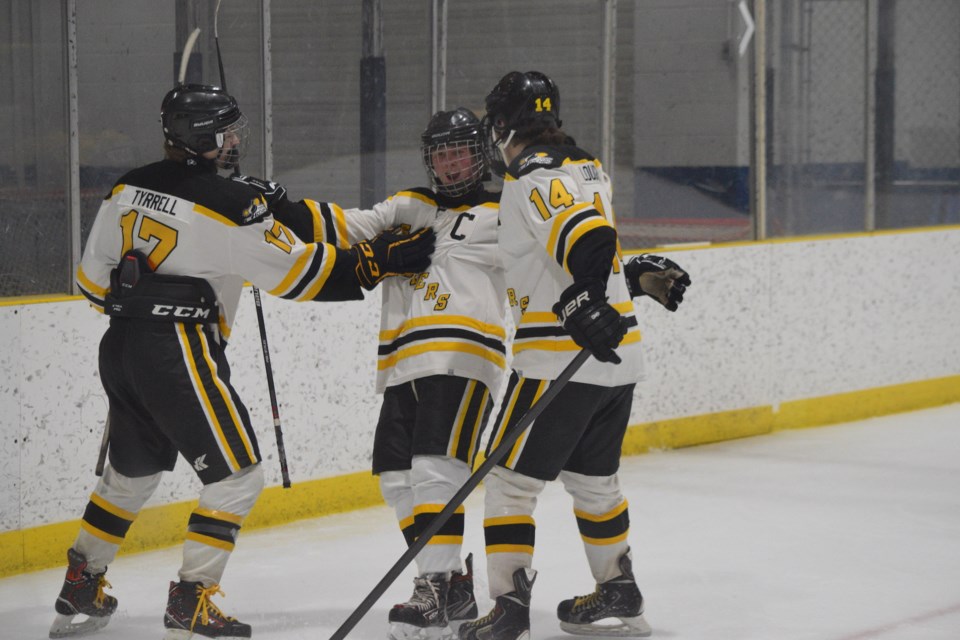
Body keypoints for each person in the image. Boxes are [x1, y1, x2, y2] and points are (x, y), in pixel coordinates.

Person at [52, 83, 435, 640]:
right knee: (237, 476)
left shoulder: (127, 185)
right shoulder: (230, 206)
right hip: (178, 348)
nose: (235, 141)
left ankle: (81, 579)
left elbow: (91, 284)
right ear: (202, 137)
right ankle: (192, 598)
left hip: (122, 348)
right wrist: (377, 260)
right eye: (227, 132)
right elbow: (305, 274)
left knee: (129, 476)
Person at [237, 107, 505, 640]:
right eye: (441, 155)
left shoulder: (507, 210)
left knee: (434, 470)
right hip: (404, 362)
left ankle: (430, 587)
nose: (451, 165)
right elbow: (344, 227)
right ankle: (450, 583)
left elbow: (557, 252)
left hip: (465, 357)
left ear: (480, 154)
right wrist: (279, 202)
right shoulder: (409, 205)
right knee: (395, 479)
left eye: (460, 153)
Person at [457, 71, 691, 640]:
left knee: (510, 483)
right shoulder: (587, 166)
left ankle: (509, 608)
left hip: (558, 360)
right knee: (594, 480)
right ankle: (618, 589)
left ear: (505, 122)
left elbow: (585, 240)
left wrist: (587, 294)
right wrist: (624, 281)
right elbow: (592, 248)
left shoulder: (531, 172)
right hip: (619, 357)